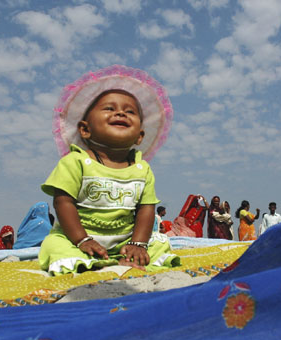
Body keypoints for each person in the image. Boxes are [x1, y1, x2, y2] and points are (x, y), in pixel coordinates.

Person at [39, 65, 179, 276]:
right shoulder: (76, 162)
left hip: (125, 239)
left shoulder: (142, 169)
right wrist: (82, 239)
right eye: (109, 109)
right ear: (85, 129)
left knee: (160, 242)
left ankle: (131, 255)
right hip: (77, 237)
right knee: (54, 245)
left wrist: (138, 243)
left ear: (139, 136)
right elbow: (62, 201)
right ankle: (85, 257)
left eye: (130, 111)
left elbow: (146, 209)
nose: (121, 112)